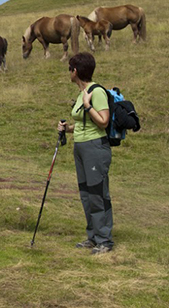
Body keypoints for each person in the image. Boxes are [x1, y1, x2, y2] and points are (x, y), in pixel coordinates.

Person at [58, 52, 114, 255]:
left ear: (76, 71)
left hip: (95, 148)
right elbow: (85, 122)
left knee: (98, 193)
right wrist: (67, 129)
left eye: (70, 69)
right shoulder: (82, 93)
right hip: (81, 147)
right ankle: (93, 236)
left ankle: (104, 240)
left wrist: (89, 105)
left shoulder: (96, 92)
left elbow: (103, 121)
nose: (69, 73)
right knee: (86, 194)